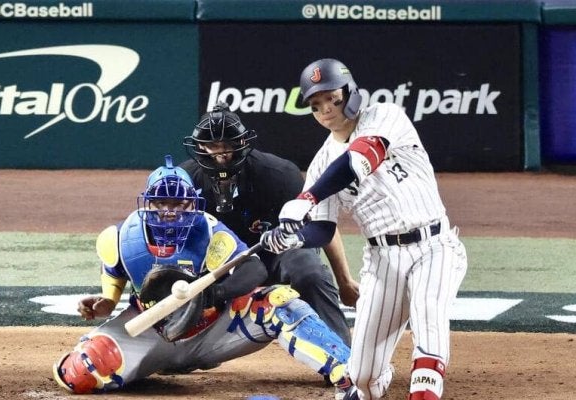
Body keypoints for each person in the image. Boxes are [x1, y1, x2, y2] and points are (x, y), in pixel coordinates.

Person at [53, 155, 354, 397]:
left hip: (215, 330)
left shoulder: (209, 230)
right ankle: (151, 366)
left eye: (178, 204)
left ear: (192, 203)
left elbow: (254, 268)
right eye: (161, 204)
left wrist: (214, 294)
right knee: (77, 373)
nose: (169, 212)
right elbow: (115, 273)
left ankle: (348, 372)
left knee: (280, 302)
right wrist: (107, 301)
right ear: (148, 203)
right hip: (150, 332)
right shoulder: (120, 238)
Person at [259, 59, 468, 400]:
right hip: (382, 259)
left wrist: (307, 197)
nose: (326, 108)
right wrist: (292, 238)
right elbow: (322, 229)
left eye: (332, 98)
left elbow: (359, 158)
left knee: (429, 326)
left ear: (351, 92)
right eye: (316, 103)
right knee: (361, 376)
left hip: (434, 245)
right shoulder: (321, 163)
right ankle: (374, 381)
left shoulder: (384, 116)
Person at [180, 103, 359, 351]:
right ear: (200, 146)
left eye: (228, 144)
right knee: (179, 275)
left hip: (276, 253)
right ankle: (178, 351)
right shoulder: (184, 180)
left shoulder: (278, 173)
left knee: (309, 270)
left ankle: (343, 354)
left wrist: (345, 281)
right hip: (220, 262)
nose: (220, 153)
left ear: (242, 142)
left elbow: (321, 222)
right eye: (212, 145)